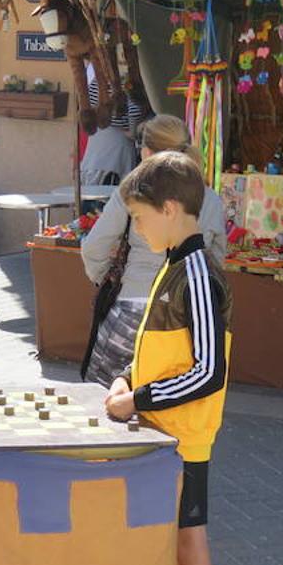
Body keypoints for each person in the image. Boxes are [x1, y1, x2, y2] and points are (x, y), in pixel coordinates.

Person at [104, 151, 231, 565]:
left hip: (183, 436)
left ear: (171, 208)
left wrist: (136, 399)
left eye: (139, 216)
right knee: (175, 544)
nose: (136, 227)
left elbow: (207, 371)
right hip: (163, 431)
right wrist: (126, 378)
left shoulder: (197, 271)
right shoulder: (176, 264)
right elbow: (162, 349)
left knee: (189, 544)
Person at [81, 115, 226, 385]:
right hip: (182, 319)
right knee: (158, 411)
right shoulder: (211, 200)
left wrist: (109, 278)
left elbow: (94, 247)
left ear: (147, 152)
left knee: (104, 405)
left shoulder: (131, 192)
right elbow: (216, 261)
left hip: (132, 306)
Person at [80, 63, 146, 185]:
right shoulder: (129, 80)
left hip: (96, 141)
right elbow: (134, 109)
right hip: (118, 143)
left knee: (91, 188)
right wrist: (132, 132)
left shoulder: (99, 80)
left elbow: (87, 102)